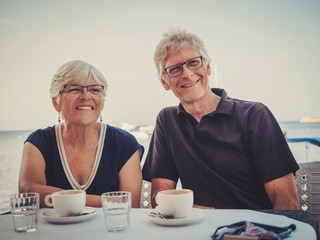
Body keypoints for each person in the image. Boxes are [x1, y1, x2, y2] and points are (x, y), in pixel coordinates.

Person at [142, 29, 300, 210]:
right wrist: (208, 218)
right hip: (197, 229)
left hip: (253, 231)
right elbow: (160, 197)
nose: (186, 73)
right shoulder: (167, 121)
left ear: (207, 68)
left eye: (193, 63)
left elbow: (287, 202)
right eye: (175, 69)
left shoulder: (255, 115)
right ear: (165, 83)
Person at [19, 60, 144, 208]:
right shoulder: (38, 142)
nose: (85, 96)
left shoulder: (124, 144)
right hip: (55, 231)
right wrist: (108, 202)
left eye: (94, 90)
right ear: (55, 103)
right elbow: (28, 193)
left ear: (102, 103)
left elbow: (130, 206)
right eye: (74, 89)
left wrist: (55, 198)